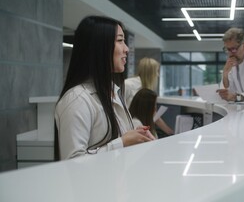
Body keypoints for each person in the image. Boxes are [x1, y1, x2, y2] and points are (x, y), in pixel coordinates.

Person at [54, 16, 155, 160]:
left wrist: (133, 135)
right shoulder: (77, 99)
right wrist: (123, 142)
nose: (126, 49)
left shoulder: (114, 91)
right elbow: (73, 161)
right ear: (99, 47)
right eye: (120, 41)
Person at [125, 57, 174, 136]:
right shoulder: (128, 85)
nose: (157, 75)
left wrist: (170, 132)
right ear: (150, 72)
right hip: (130, 128)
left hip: (143, 127)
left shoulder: (147, 89)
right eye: (156, 71)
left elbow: (153, 114)